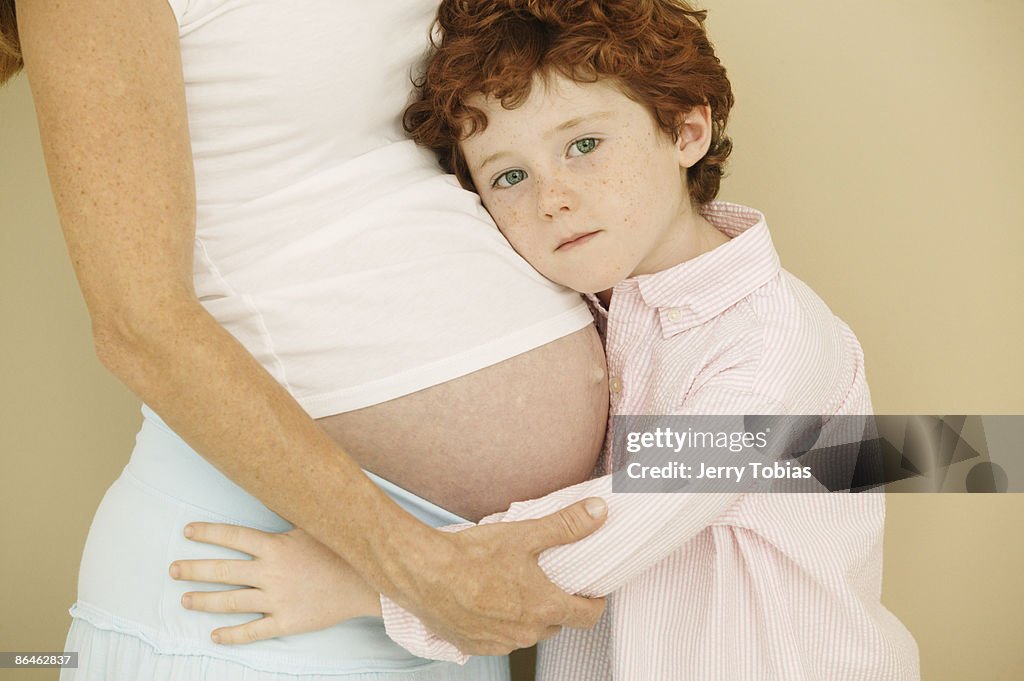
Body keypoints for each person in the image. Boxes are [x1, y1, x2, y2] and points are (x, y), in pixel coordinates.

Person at [173, 1, 921, 679]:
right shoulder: (602, 310)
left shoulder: (775, 345)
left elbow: (617, 522)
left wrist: (367, 583)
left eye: (585, 144)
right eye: (507, 177)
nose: (551, 196)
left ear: (686, 131)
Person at [2, 1, 616, 679]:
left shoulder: (703, 336)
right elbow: (138, 325)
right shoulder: (719, 370)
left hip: (434, 605)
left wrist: (405, 584)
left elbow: (723, 459)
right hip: (262, 594)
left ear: (687, 133)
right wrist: (414, 572)